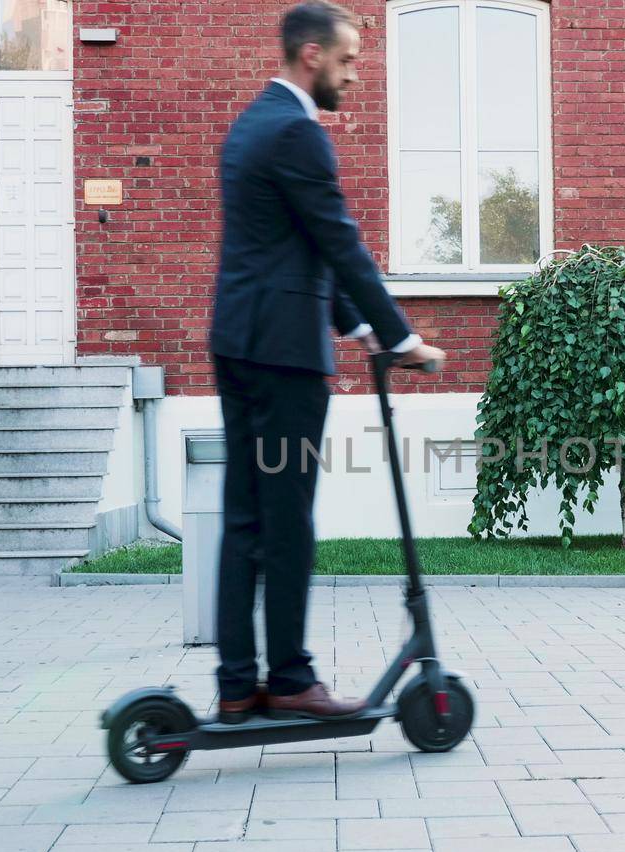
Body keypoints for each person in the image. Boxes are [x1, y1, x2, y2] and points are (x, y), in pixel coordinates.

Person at [209, 1, 446, 723]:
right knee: (287, 520)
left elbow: (292, 246)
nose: (353, 75)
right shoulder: (297, 133)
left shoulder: (251, 124)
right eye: (346, 61)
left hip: (240, 344)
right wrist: (400, 336)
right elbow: (340, 243)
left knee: (245, 518)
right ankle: (289, 680)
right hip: (283, 360)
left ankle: (235, 684)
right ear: (310, 55)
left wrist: (353, 326)